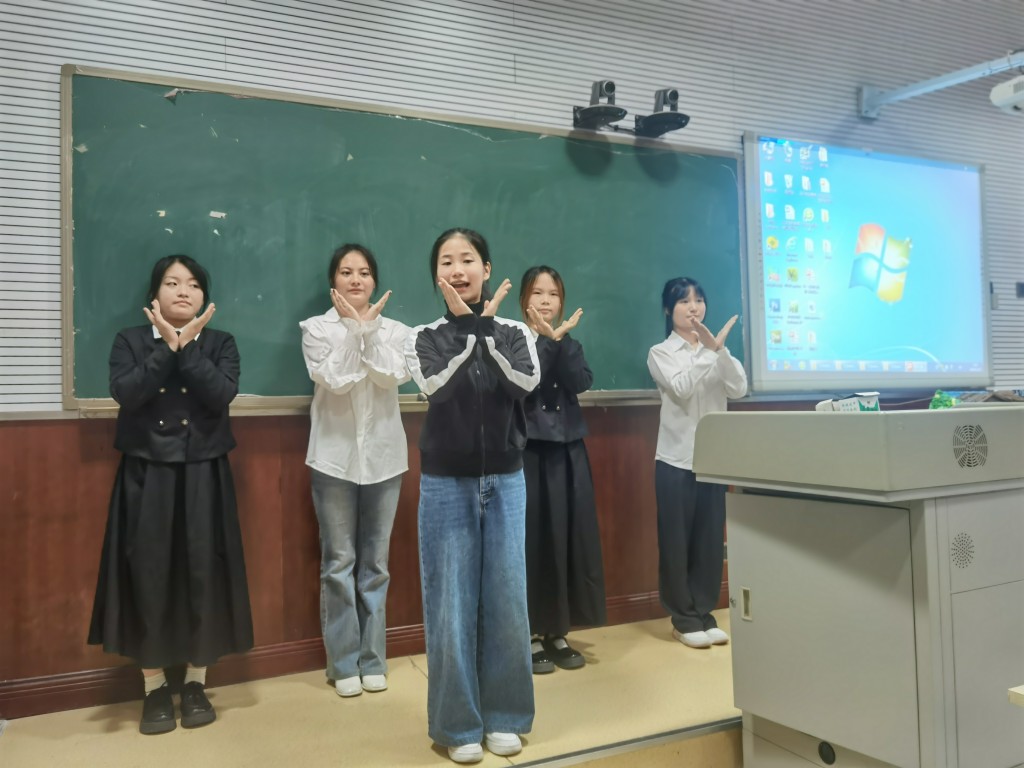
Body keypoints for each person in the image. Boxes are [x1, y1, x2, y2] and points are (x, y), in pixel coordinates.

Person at [88, 255, 253, 734]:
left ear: (204, 297)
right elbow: (127, 392)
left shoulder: (220, 343)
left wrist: (188, 348)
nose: (184, 291)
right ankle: (155, 686)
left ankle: (197, 682)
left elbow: (220, 394)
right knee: (147, 574)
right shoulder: (130, 341)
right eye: (172, 282)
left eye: (194, 284)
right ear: (154, 294)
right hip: (147, 473)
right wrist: (167, 346)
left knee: (204, 572)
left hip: (204, 471)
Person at [405, 227, 539, 764]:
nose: (457, 270)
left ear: (486, 269)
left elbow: (524, 384)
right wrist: (469, 332)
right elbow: (434, 387)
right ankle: (458, 725)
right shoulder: (424, 335)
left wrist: (487, 331)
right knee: (450, 605)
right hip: (445, 482)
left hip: (506, 478)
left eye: (467, 259)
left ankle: (505, 717)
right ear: (436, 275)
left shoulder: (515, 330)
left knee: (507, 598)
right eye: (446, 261)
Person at [299, 243, 411, 698]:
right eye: (346, 272)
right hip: (333, 459)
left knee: (376, 565)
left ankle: (373, 659)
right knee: (338, 563)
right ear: (334, 281)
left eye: (364, 272)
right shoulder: (315, 328)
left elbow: (391, 376)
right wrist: (353, 335)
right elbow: (333, 379)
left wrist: (369, 335)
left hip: (385, 460)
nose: (356, 279)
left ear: (374, 280)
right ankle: (343, 663)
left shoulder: (398, 331)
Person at [646, 277, 746, 649]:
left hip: (713, 461)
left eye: (699, 300)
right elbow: (682, 388)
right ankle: (683, 619)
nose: (694, 307)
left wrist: (719, 352)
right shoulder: (660, 352)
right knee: (676, 542)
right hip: (675, 460)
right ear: (668, 309)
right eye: (684, 301)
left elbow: (739, 388)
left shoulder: (715, 351)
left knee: (709, 541)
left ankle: (705, 613)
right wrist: (708, 352)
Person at [518, 266, 606, 674]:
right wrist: (545, 342)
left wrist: (560, 341)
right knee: (532, 542)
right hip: (527, 452)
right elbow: (525, 383)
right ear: (524, 299)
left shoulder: (570, 342)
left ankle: (557, 630)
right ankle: (529, 633)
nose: (546, 301)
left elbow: (581, 381)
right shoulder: (514, 339)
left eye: (553, 294)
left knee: (567, 539)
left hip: (568, 451)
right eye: (538, 293)